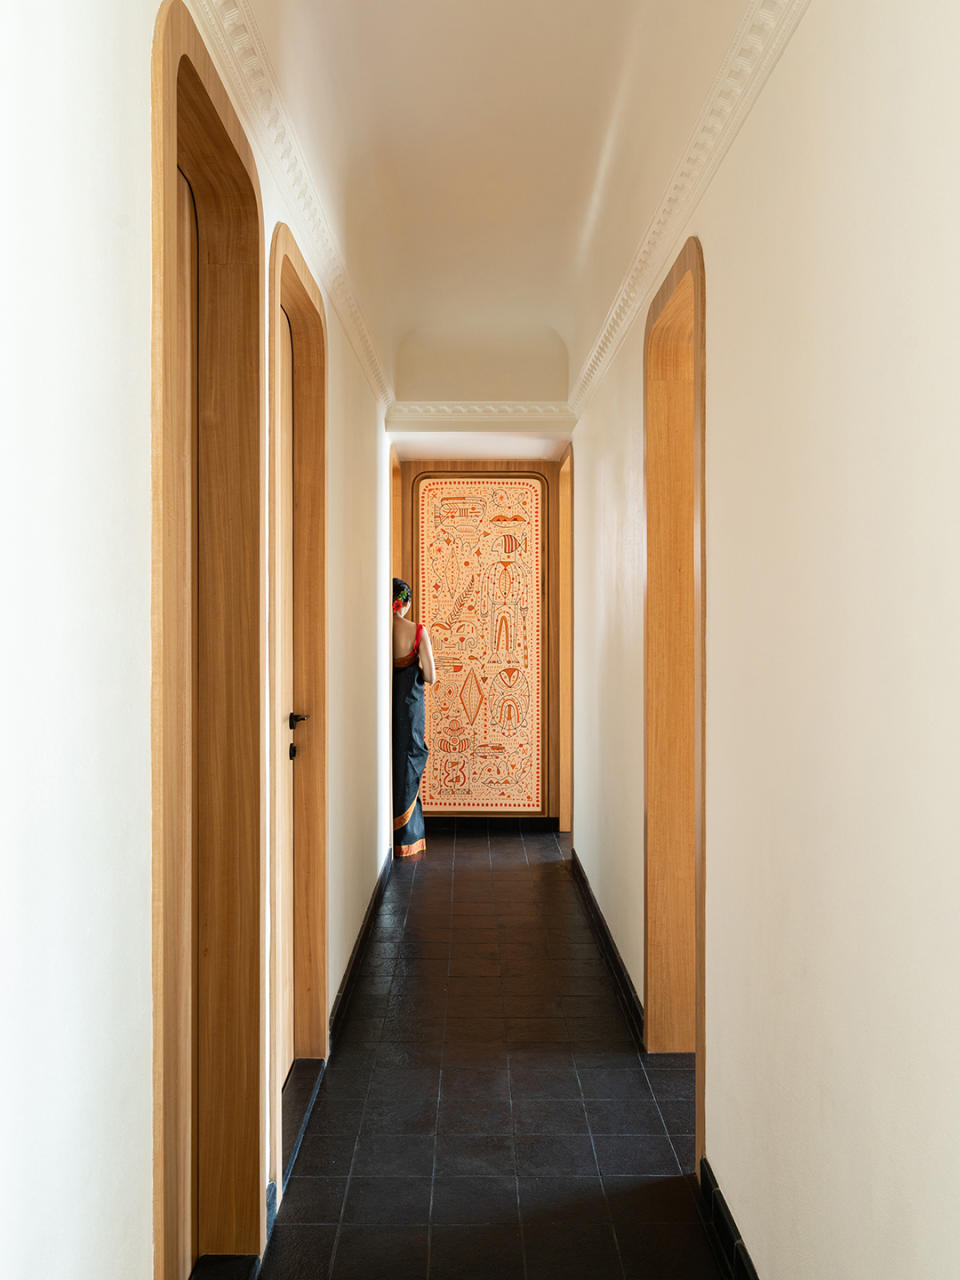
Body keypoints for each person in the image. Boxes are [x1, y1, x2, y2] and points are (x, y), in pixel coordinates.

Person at [392, 577, 436, 857]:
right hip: (409, 708)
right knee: (408, 760)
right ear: (405, 602)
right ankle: (406, 838)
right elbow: (431, 676)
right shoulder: (417, 631)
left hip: (385, 707)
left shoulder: (375, 631)